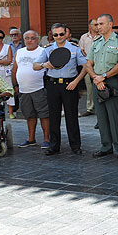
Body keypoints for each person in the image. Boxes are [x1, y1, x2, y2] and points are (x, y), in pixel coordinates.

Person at [33, 23, 87, 155]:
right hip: (53, 85)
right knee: (54, 116)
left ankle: (75, 146)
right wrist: (43, 65)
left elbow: (85, 66)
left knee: (72, 116)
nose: (59, 37)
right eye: (55, 34)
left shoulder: (74, 48)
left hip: (70, 84)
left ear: (67, 34)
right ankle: (54, 146)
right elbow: (35, 66)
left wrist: (76, 81)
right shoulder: (47, 49)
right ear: (52, 35)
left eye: (61, 34)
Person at [86, 14, 118, 159]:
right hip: (97, 82)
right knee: (102, 117)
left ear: (110, 24)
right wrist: (95, 78)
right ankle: (106, 146)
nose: (98, 27)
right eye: (97, 24)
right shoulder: (96, 42)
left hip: (111, 82)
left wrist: (103, 77)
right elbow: (88, 63)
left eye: (101, 24)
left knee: (115, 116)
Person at [12, 31, 50, 149]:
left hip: (39, 88)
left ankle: (46, 139)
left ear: (37, 39)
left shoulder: (43, 51)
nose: (30, 40)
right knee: (29, 115)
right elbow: (14, 69)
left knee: (44, 114)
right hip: (23, 90)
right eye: (27, 38)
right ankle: (31, 138)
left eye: (32, 38)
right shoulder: (19, 52)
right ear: (23, 40)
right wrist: (15, 85)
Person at [78, 19, 100, 117]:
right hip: (87, 66)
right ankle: (90, 108)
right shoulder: (84, 37)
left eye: (98, 24)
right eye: (95, 24)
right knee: (89, 87)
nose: (97, 26)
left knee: (100, 86)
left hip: (99, 65)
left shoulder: (102, 36)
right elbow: (81, 51)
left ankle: (100, 107)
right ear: (90, 26)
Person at [0, 30, 14, 118]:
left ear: (3, 38)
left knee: (8, 88)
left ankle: (10, 112)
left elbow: (9, 60)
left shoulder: (7, 47)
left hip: (5, 71)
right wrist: (1, 61)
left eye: (0, 37)